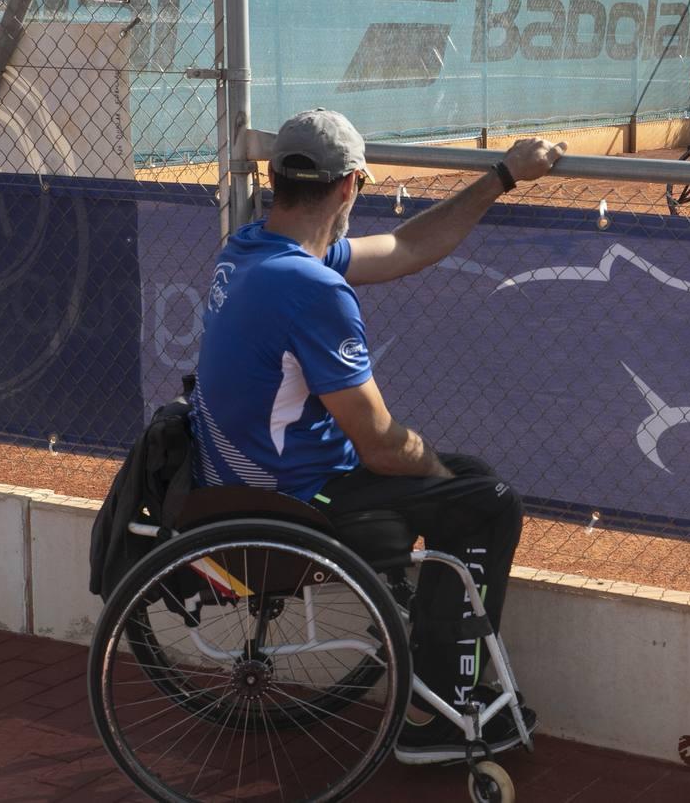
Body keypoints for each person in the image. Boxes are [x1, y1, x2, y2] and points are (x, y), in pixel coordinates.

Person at [189, 108, 565, 758]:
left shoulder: (251, 247)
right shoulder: (310, 288)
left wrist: (501, 176)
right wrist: (439, 476)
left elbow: (406, 247)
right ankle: (443, 713)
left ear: (278, 180)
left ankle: (434, 677)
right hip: (296, 505)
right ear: (349, 187)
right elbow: (383, 447)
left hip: (238, 488)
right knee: (485, 502)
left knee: (465, 480)